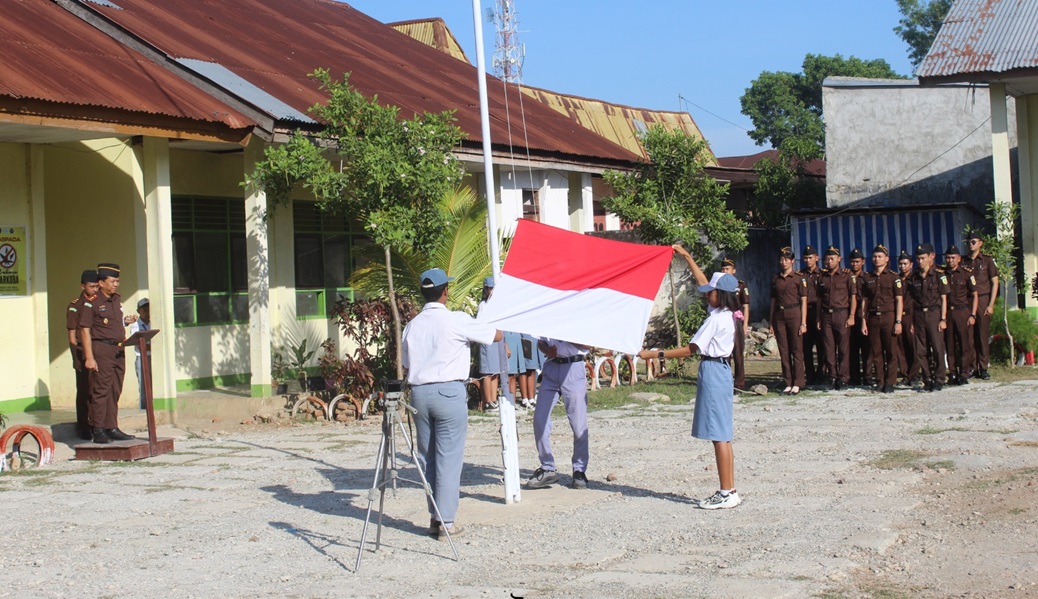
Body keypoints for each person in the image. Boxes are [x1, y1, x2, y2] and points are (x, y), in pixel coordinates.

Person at [401, 268, 501, 540]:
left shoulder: (412, 324)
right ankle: (445, 521)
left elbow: (407, 363)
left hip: (419, 394)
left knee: (428, 458)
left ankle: (435, 516)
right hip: (448, 392)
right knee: (449, 458)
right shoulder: (456, 320)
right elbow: (495, 336)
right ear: (446, 291)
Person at [639, 272, 743, 509]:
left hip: (713, 370)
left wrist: (655, 354)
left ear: (721, 295)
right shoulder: (728, 315)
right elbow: (702, 281)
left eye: (711, 293)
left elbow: (690, 349)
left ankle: (726, 492)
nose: (707, 296)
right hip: (721, 370)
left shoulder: (716, 320)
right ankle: (730, 490)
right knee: (723, 435)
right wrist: (687, 256)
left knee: (719, 435)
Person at [78, 263, 138, 444]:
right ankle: (98, 428)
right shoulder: (92, 303)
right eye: (112, 281)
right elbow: (85, 330)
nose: (116, 284)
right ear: (101, 282)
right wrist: (89, 357)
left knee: (114, 389)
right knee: (101, 390)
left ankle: (111, 426)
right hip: (101, 350)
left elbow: (113, 323)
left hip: (118, 349)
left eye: (118, 281)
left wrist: (126, 322)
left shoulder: (116, 300)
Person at [526, 335, 592, 490]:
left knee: (578, 423)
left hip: (573, 366)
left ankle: (579, 470)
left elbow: (588, 344)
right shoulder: (548, 315)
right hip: (551, 367)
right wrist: (547, 350)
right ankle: (547, 467)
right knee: (540, 419)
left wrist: (566, 335)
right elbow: (541, 341)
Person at [905, 244, 950, 392]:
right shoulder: (913, 277)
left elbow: (944, 298)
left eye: (923, 258)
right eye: (918, 258)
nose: (920, 261)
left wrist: (943, 319)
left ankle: (939, 378)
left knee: (937, 347)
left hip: (934, 313)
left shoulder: (939, 275)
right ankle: (927, 378)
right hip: (918, 315)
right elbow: (911, 300)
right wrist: (911, 321)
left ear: (931, 256)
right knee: (921, 350)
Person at [860, 245, 904, 393]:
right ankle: (880, 380)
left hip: (889, 317)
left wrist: (898, 321)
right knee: (876, 352)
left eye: (879, 256)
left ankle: (890, 382)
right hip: (873, 317)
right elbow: (865, 301)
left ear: (887, 259)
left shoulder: (893, 277)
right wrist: (863, 321)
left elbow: (899, 300)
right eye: (874, 256)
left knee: (891, 351)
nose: (876, 259)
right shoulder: (867, 278)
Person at [815, 246, 856, 390]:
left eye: (832, 259)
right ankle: (832, 377)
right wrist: (818, 318)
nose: (829, 262)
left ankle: (843, 378)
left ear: (839, 259)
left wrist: (851, 315)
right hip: (826, 315)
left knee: (844, 348)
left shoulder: (847, 275)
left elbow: (853, 296)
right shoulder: (822, 277)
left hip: (842, 313)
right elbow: (819, 298)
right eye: (826, 259)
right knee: (829, 348)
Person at [66, 269, 100, 440]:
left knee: (98, 390)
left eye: (96, 286)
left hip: (98, 351)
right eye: (91, 286)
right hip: (81, 352)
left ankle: (97, 424)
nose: (95, 289)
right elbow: (72, 335)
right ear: (83, 286)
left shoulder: (100, 303)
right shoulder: (75, 306)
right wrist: (75, 358)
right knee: (84, 391)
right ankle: (84, 426)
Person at [769, 247, 807, 395]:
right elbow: (772, 300)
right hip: (779, 314)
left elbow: (804, 300)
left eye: (786, 259)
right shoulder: (776, 278)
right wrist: (771, 320)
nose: (783, 262)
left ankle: (798, 382)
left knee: (796, 349)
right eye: (781, 259)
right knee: (784, 350)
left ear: (792, 261)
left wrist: (803, 322)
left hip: (794, 313)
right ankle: (788, 382)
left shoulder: (798, 278)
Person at [962, 231, 999, 379]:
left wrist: (991, 304)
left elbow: (995, 282)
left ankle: (983, 367)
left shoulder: (988, 260)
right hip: (968, 300)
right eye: (969, 242)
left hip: (983, 299)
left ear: (980, 243)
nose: (971, 244)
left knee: (982, 336)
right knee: (969, 336)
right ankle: (972, 367)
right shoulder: (963, 261)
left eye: (973, 241)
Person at [943, 245, 978, 385]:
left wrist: (973, 314)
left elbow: (975, 295)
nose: (950, 260)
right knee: (949, 344)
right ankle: (952, 373)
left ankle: (963, 373)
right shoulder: (942, 274)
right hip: (948, 312)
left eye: (953, 258)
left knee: (965, 344)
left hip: (962, 311)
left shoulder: (966, 274)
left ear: (959, 259)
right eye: (948, 258)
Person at [476, 277, 508, 411]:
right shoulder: (483, 305)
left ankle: (493, 399)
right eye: (489, 288)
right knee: (488, 372)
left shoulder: (499, 304)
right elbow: (480, 321)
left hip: (498, 338)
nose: (491, 291)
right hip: (487, 338)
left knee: (495, 371)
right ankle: (488, 401)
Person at [721, 258, 750, 390]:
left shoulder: (740, 285)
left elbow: (745, 305)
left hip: (736, 319)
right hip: (723, 319)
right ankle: (726, 382)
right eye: (723, 269)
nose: (725, 271)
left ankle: (739, 383)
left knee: (738, 352)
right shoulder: (719, 285)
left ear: (734, 271)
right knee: (725, 353)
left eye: (727, 269)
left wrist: (745, 325)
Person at [799, 246, 824, 384]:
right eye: (806, 258)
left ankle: (821, 374)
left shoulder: (822, 274)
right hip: (804, 312)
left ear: (817, 258)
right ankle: (810, 375)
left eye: (810, 258)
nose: (808, 260)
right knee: (806, 346)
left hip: (818, 311)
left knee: (821, 345)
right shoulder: (800, 275)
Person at [896, 251, 920, 385]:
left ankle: (914, 375)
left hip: (912, 316)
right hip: (900, 316)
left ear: (911, 265)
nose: (902, 266)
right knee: (900, 347)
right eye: (900, 264)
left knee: (913, 346)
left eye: (905, 264)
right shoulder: (896, 278)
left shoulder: (915, 279)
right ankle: (905, 375)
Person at [847, 248, 869, 386]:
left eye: (857, 262)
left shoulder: (867, 277)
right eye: (852, 262)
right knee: (851, 349)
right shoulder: (845, 276)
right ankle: (854, 377)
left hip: (863, 317)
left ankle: (867, 377)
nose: (854, 264)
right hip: (848, 317)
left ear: (863, 262)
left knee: (867, 350)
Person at [129, 298, 152, 409]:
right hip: (142, 358)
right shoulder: (135, 325)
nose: (148, 312)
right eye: (145, 310)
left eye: (149, 309)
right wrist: (155, 346)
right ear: (139, 311)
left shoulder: (153, 323)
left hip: (153, 357)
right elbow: (140, 344)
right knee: (144, 386)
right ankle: (144, 410)